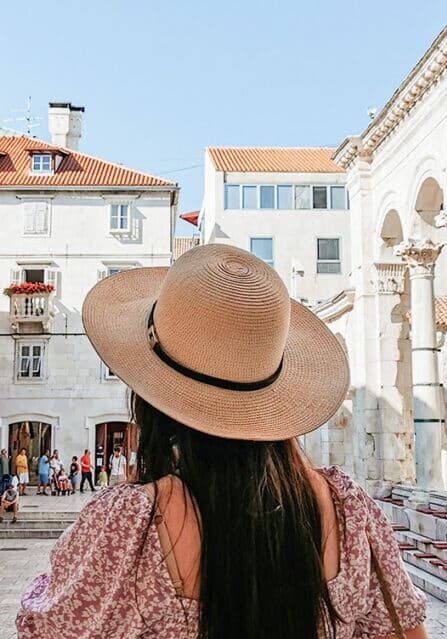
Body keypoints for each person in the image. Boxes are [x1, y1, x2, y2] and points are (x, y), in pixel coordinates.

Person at [17, 245, 428, 638]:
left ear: (150, 398)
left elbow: (49, 626)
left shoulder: (131, 527)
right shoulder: (349, 510)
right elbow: (404, 632)